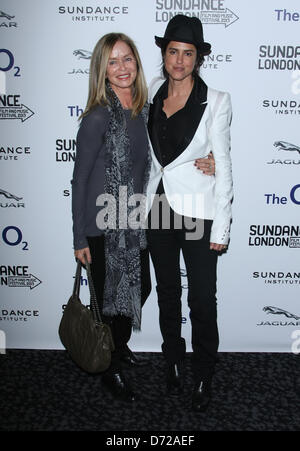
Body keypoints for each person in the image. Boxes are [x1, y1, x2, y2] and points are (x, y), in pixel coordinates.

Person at [71, 31, 215, 402]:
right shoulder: (96, 118)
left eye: (128, 59)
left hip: (135, 215)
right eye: (113, 62)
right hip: (103, 222)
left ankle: (117, 346)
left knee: (140, 289)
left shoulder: (144, 110)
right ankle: (110, 364)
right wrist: (79, 237)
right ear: (102, 71)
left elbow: (174, 150)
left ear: (137, 62)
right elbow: (80, 179)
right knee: (110, 299)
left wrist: (210, 160)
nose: (122, 68)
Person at [146, 15, 233, 412]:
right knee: (167, 294)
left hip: (199, 212)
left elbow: (225, 165)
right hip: (158, 208)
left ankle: (203, 372)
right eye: (173, 52)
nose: (179, 61)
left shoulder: (216, 101)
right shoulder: (150, 92)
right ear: (164, 54)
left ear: (198, 58)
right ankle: (173, 362)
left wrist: (224, 227)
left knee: (201, 298)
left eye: (188, 54)